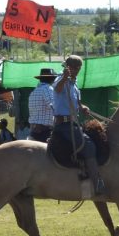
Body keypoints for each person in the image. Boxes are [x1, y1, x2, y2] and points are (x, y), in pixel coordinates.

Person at [53, 55, 105, 195]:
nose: (77, 71)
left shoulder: (74, 84)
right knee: (88, 146)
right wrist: (64, 77)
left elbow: (77, 102)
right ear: (68, 67)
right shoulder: (60, 79)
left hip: (73, 123)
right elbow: (57, 89)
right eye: (75, 68)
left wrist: (83, 107)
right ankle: (97, 183)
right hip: (63, 125)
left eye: (79, 68)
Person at [29, 68, 58, 142]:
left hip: (34, 129)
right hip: (44, 130)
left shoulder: (34, 91)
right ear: (52, 79)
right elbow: (53, 107)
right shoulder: (48, 89)